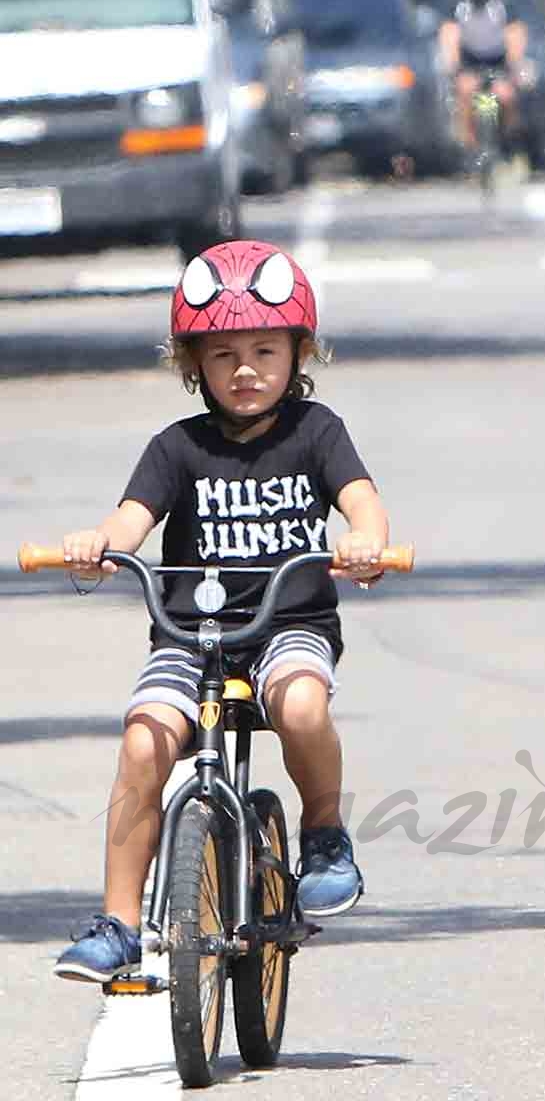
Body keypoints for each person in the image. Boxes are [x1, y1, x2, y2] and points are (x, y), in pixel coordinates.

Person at [54, 239, 389, 982]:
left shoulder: (318, 433)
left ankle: (326, 835)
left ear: (300, 354)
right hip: (190, 634)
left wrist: (366, 541)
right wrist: (98, 543)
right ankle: (117, 921)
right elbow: (131, 520)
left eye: (266, 350)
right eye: (222, 354)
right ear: (192, 365)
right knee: (144, 742)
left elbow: (362, 501)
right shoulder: (177, 448)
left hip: (289, 624)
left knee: (302, 707)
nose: (245, 370)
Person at [438, 0, 530, 154]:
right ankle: (469, 144)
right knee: (465, 91)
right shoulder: (459, 8)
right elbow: (449, 35)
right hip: (469, 60)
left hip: (498, 59)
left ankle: (510, 138)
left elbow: (515, 34)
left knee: (506, 96)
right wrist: (452, 64)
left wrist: (515, 65)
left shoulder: (502, 7)